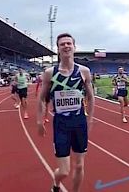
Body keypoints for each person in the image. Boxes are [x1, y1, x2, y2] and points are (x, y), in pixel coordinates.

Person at [37, 33, 94, 192]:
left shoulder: (84, 71)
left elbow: (91, 97)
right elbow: (42, 99)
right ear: (58, 49)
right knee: (64, 171)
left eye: (69, 43)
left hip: (79, 123)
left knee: (80, 165)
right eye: (62, 44)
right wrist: (39, 121)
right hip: (61, 124)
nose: (66, 46)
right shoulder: (50, 73)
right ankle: (56, 185)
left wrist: (90, 120)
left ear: (74, 47)